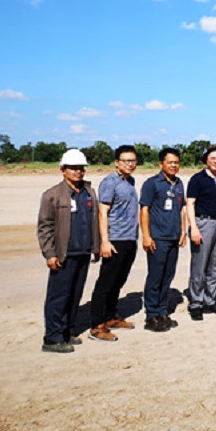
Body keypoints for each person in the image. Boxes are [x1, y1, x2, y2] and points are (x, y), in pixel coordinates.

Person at [36, 149, 100, 353]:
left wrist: (96, 247)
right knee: (58, 297)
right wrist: (50, 254)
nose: (78, 171)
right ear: (63, 170)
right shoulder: (52, 195)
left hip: (83, 252)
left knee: (74, 295)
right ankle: (52, 338)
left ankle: (67, 331)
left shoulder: (89, 192)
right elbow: (45, 227)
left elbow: (94, 221)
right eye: (73, 168)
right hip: (63, 255)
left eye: (81, 168)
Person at [88, 145, 139, 342]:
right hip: (115, 239)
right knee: (106, 283)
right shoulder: (110, 182)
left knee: (118, 281)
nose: (130, 164)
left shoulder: (130, 181)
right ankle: (97, 325)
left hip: (129, 239)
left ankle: (111, 317)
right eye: (126, 161)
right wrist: (105, 241)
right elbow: (103, 213)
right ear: (117, 162)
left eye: (133, 160)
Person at [140, 147, 187, 332]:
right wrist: (146, 236)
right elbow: (145, 210)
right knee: (155, 276)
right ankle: (151, 315)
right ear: (161, 164)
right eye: (170, 162)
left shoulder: (179, 183)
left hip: (173, 238)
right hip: (157, 238)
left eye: (176, 162)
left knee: (168, 276)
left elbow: (182, 209)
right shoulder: (152, 183)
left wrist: (183, 232)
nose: (174, 165)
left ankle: (162, 312)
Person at [186, 145, 216, 321]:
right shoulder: (197, 179)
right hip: (203, 223)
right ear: (206, 160)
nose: (215, 161)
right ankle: (196, 303)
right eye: (212, 158)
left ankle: (210, 300)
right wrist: (194, 228)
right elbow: (190, 204)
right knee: (200, 265)